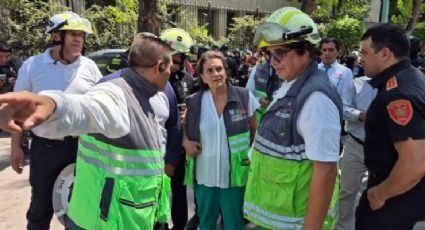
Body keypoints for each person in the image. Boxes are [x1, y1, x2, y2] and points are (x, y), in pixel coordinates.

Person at [0, 32, 174, 229]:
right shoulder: (117, 94)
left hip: (129, 218)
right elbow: (85, 107)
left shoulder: (149, 95)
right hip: (102, 223)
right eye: (169, 66)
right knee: (39, 211)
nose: (171, 72)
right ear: (159, 66)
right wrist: (53, 105)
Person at [244, 7, 342, 230]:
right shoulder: (291, 84)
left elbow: (325, 172)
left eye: (279, 53)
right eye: (268, 53)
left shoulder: (316, 99)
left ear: (305, 52)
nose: (272, 61)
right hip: (279, 219)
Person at [10, 11, 102, 230]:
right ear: (55, 36)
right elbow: (17, 110)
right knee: (40, 211)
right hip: (46, 149)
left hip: (84, 148)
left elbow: (99, 107)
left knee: (84, 211)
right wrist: (16, 148)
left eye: (81, 35)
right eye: (72, 34)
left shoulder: (89, 67)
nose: (79, 39)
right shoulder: (32, 66)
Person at [355, 23, 425, 230]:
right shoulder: (414, 78)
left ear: (385, 53)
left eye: (365, 52)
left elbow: (415, 163)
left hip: (396, 203)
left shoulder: (398, 94)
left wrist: (380, 194)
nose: (361, 58)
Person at [182, 50, 259, 230]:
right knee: (206, 223)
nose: (216, 74)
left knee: (234, 224)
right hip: (204, 176)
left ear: (226, 71)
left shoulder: (244, 97)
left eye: (219, 69)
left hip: (234, 177)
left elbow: (255, 131)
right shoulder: (194, 101)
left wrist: (251, 157)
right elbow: (183, 126)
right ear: (202, 76)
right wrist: (185, 142)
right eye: (209, 71)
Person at [159, 27, 196, 230]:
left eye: (180, 56)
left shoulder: (187, 78)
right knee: (158, 188)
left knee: (179, 190)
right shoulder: (154, 76)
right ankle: (159, 224)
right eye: (174, 54)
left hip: (180, 143)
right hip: (159, 143)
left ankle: (179, 226)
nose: (176, 60)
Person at [334, 76, 376, 230]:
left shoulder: (397, 82)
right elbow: (343, 108)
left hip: (385, 149)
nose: (362, 59)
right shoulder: (356, 83)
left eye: (366, 54)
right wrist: (360, 115)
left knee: (379, 193)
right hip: (355, 145)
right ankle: (342, 226)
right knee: (347, 191)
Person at [246, 50, 282, 124]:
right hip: (258, 118)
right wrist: (258, 100)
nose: (273, 61)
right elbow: (247, 93)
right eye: (269, 54)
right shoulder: (257, 69)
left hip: (277, 119)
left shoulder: (288, 71)